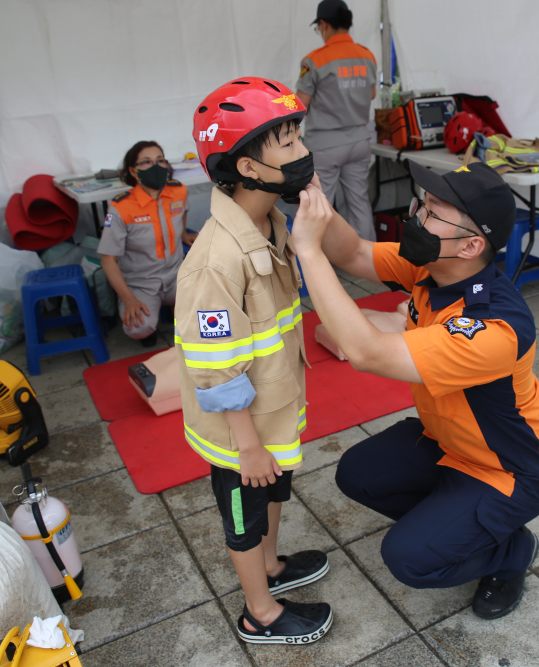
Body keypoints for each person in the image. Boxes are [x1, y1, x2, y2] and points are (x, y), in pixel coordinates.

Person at [290, 161, 539, 620]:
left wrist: (307, 252)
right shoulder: (431, 268)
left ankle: (511, 551)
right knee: (357, 473)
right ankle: (462, 520)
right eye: (425, 201)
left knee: (410, 558)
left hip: (509, 472)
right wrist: (311, 194)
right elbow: (355, 252)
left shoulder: (495, 326)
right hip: (447, 443)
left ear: (472, 245)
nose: (417, 215)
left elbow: (366, 352)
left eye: (434, 211)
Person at [174, 77, 332, 645]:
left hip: (275, 411)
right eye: (285, 145)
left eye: (298, 138)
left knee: (275, 495)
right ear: (245, 166)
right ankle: (259, 613)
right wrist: (246, 444)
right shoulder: (216, 260)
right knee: (243, 517)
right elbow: (214, 366)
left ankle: (271, 568)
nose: (302, 154)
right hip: (241, 432)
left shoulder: (272, 222)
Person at [99, 141, 196, 347]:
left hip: (177, 274)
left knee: (206, 310)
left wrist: (183, 234)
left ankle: (177, 315)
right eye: (146, 162)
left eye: (160, 160)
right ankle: (150, 328)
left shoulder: (179, 191)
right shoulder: (121, 207)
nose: (156, 166)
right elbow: (108, 260)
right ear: (134, 172)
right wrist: (129, 299)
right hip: (141, 282)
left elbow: (182, 211)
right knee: (139, 328)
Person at [295, 0, 377, 241]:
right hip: (359, 141)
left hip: (326, 145)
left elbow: (300, 106)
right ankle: (371, 263)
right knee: (359, 202)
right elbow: (371, 93)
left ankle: (317, 266)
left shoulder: (314, 60)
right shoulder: (367, 55)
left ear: (324, 24)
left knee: (319, 206)